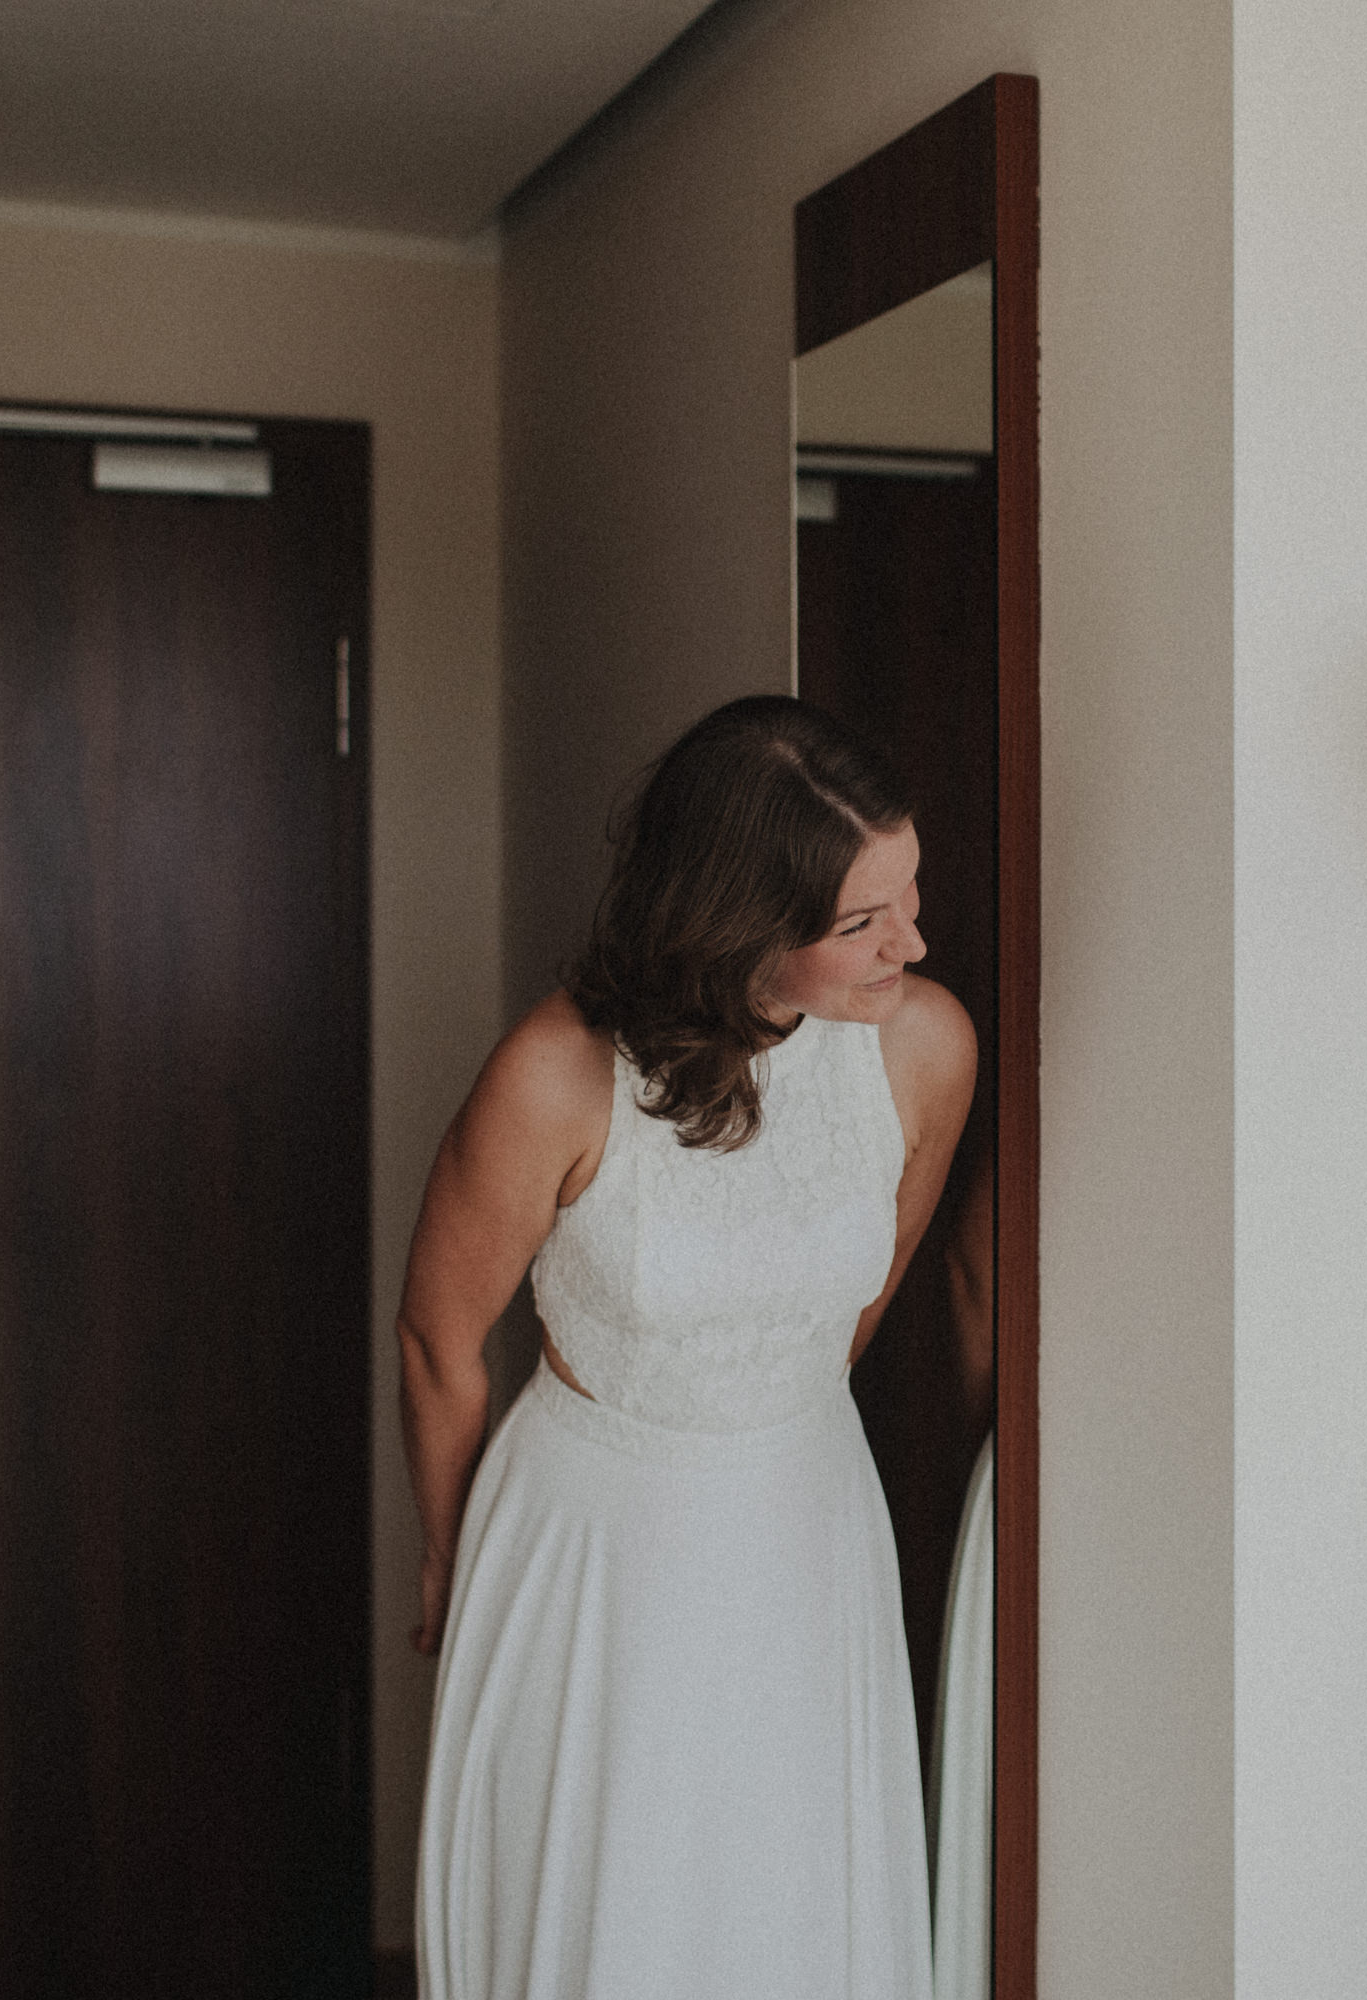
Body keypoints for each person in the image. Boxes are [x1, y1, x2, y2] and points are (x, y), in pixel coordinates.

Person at [403, 694, 977, 2000]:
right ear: (738, 927)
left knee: (787, 1900)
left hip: (805, 1519)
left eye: (911, 892)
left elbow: (849, 1309)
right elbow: (441, 1342)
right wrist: (447, 1553)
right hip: (598, 1543)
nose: (916, 939)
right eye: (862, 924)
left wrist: (763, 1423)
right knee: (619, 1902)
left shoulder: (926, 1050)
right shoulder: (553, 1078)